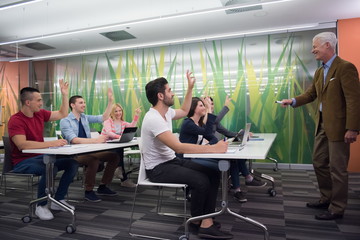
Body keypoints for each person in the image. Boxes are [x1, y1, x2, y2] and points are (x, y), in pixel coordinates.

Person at [141, 70, 233, 239]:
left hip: (171, 161)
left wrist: (190, 88)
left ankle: (205, 220)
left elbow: (184, 110)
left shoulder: (166, 113)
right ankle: (199, 222)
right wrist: (214, 149)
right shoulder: (152, 118)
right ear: (160, 96)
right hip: (158, 169)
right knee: (201, 181)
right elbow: (179, 147)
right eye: (169, 90)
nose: (173, 93)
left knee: (213, 173)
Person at [280, 32, 360, 220]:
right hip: (322, 125)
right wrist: (292, 100)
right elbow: (310, 94)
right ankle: (327, 198)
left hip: (340, 127)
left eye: (315, 46)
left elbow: (354, 100)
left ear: (327, 46)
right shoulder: (319, 71)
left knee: (337, 168)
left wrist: (353, 128)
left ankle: (337, 208)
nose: (312, 49)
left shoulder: (345, 68)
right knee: (318, 162)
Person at [8, 80, 79, 221]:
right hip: (22, 162)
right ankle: (40, 206)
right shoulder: (15, 120)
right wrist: (52, 143)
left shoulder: (40, 114)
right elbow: (22, 145)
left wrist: (65, 95)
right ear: (28, 102)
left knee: (72, 163)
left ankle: (58, 200)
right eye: (39, 100)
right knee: (50, 168)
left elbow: (62, 113)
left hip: (40, 156)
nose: (41, 103)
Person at [60, 89, 120, 202]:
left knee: (114, 156)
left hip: (88, 150)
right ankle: (89, 191)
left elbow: (104, 117)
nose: (84, 105)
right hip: (74, 153)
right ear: (72, 105)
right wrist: (96, 140)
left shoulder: (84, 117)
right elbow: (74, 140)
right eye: (81, 103)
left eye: (84, 102)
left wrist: (110, 101)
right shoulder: (65, 120)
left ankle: (103, 186)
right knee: (93, 160)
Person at [209, 96, 266, 203]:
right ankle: (247, 179)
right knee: (234, 159)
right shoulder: (207, 120)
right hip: (206, 152)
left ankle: (239, 187)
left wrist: (242, 134)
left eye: (212, 104)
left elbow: (227, 132)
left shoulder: (213, 121)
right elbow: (214, 121)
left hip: (213, 148)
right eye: (207, 104)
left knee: (235, 158)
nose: (210, 106)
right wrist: (225, 106)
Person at [101, 103, 141, 187]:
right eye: (116, 111)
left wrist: (136, 116)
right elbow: (109, 132)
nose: (118, 113)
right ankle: (122, 176)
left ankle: (120, 172)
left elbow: (131, 127)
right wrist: (119, 137)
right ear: (111, 112)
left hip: (116, 145)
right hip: (105, 146)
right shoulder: (107, 121)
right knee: (118, 151)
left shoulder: (122, 122)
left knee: (119, 149)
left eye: (120, 111)